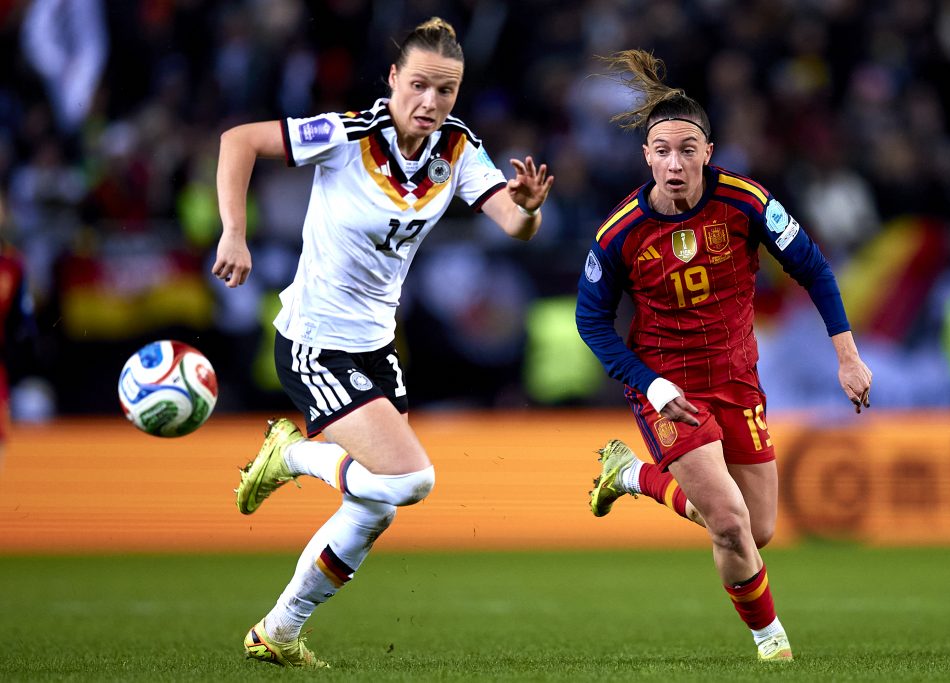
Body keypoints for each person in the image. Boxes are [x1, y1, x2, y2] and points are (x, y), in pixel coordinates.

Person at [212, 17, 553, 668]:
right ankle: (291, 456)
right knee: (411, 479)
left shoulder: (456, 149)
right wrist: (234, 231)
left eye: (446, 91)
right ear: (393, 80)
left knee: (374, 508)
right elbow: (237, 142)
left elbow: (512, 222)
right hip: (316, 340)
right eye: (419, 85)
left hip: (376, 346)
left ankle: (279, 630)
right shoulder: (345, 135)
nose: (431, 102)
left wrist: (529, 206)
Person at [576, 50, 872, 663]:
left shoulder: (747, 203)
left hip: (737, 379)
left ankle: (631, 475)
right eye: (662, 150)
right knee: (731, 526)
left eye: (688, 149)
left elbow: (814, 269)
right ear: (646, 157)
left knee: (756, 529)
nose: (675, 163)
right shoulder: (618, 234)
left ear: (709, 152)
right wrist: (649, 384)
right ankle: (774, 646)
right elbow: (591, 321)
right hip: (667, 388)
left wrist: (847, 357)